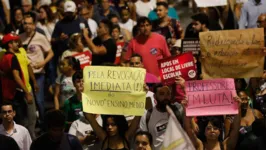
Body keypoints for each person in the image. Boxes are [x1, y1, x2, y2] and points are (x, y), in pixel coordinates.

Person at [19, 13, 54, 125]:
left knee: (39, 100)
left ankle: (44, 123)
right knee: (28, 101)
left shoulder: (40, 37)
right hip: (25, 74)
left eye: (30, 23)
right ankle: (32, 124)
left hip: (38, 73)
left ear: (34, 25)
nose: (27, 26)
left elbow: (50, 53)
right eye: (25, 23)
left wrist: (43, 62)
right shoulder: (20, 38)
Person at [139, 83, 184, 150]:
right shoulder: (147, 115)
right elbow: (144, 141)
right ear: (155, 96)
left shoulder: (179, 109)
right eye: (162, 94)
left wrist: (184, 88)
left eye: (168, 94)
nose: (165, 97)